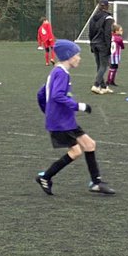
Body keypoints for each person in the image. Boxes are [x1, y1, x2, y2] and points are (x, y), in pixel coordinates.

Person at [34, 39, 115, 195]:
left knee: (89, 145)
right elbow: (57, 96)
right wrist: (79, 106)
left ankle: (96, 183)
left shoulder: (56, 72)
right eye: (77, 55)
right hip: (62, 123)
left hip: (64, 120)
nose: (79, 58)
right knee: (77, 151)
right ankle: (46, 177)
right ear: (68, 56)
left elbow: (41, 94)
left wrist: (49, 112)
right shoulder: (61, 73)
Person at [87, 0, 115, 95]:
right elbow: (108, 34)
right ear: (107, 6)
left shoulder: (94, 18)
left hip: (94, 43)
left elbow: (90, 32)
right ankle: (96, 85)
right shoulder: (108, 18)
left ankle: (103, 87)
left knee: (99, 65)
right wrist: (108, 47)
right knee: (104, 65)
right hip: (102, 44)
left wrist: (91, 43)